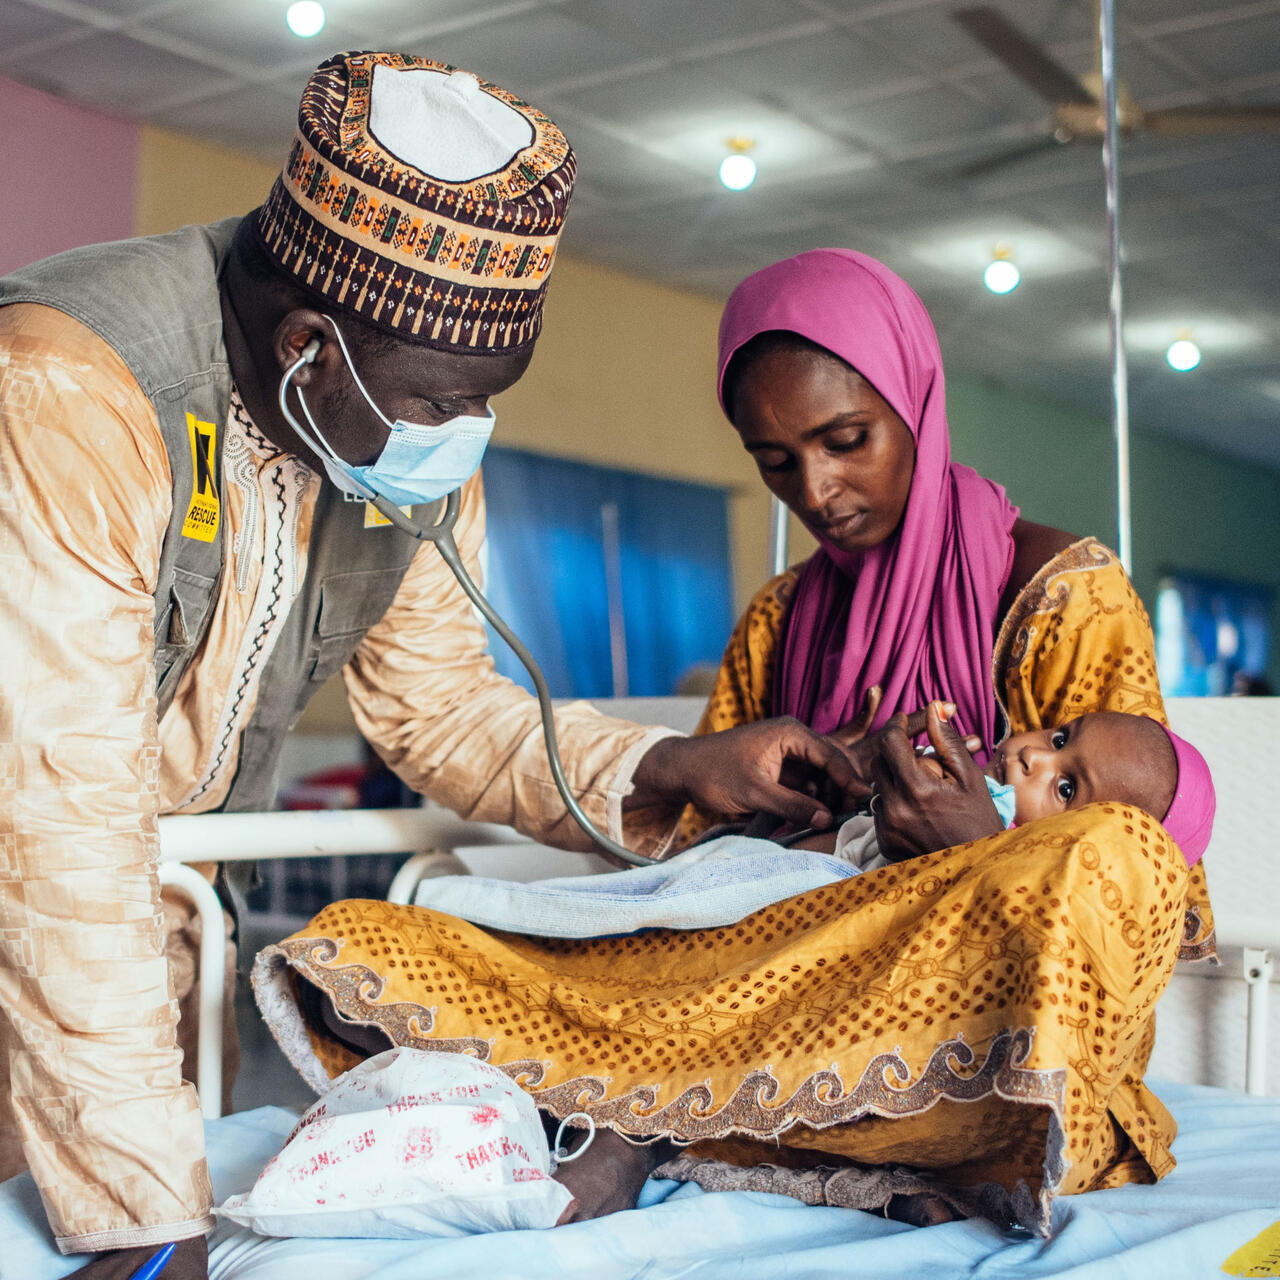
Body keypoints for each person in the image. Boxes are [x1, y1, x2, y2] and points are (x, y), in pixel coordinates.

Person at [0, 58, 860, 1278]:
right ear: (308, 346)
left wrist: (667, 765)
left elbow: (441, 708)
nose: (462, 443)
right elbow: (54, 806)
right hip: (35, 901)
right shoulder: (72, 384)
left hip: (131, 950)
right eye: (443, 403)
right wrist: (143, 1216)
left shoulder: (381, 434)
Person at [260, 248, 1218, 1236]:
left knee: (1093, 854)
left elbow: (1137, 884)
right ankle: (676, 1100)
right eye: (775, 462)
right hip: (743, 987)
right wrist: (771, 813)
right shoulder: (777, 617)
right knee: (366, 958)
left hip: (946, 1021)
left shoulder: (1060, 595)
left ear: (915, 402)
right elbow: (697, 895)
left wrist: (975, 853)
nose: (819, 488)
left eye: (847, 438)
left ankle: (632, 1107)